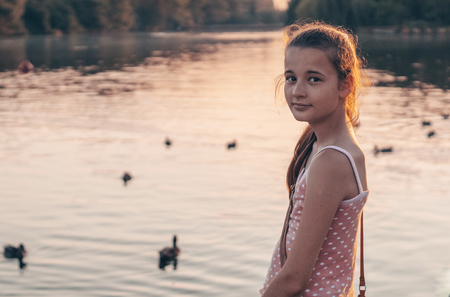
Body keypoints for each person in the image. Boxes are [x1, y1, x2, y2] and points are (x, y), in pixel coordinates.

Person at [260, 21, 370, 297]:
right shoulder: (322, 146)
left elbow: (295, 279)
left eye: (314, 79)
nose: (297, 91)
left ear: (345, 84)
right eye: (290, 78)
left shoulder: (331, 161)